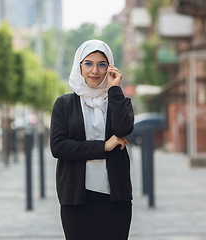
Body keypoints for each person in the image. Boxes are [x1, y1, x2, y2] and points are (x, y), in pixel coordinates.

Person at [50, 39, 134, 240]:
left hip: (116, 200)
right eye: (88, 63)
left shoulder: (119, 101)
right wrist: (104, 146)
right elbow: (58, 147)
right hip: (76, 199)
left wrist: (114, 89)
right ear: (79, 66)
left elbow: (124, 128)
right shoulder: (64, 104)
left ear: (110, 67)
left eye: (102, 64)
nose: (95, 70)